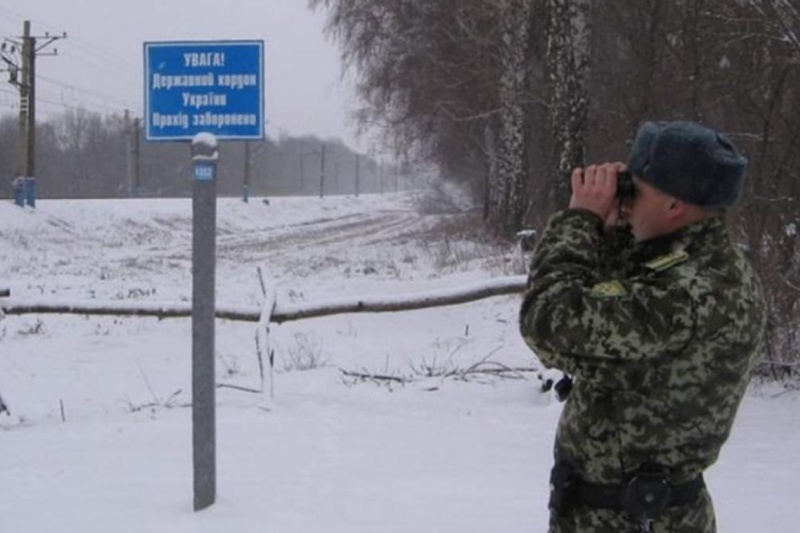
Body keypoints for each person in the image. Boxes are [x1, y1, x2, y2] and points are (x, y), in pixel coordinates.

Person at [518, 120, 765, 533]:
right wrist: (613, 234)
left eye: (636, 189)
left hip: (632, 520)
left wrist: (579, 220)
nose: (625, 199)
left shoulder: (685, 295)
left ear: (674, 206)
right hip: (630, 513)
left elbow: (547, 319)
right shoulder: (698, 263)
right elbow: (618, 298)